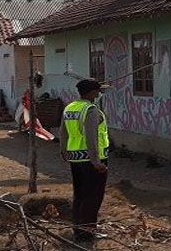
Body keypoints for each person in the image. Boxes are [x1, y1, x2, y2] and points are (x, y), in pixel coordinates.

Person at [58, 78, 110, 243]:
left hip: (75, 159)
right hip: (91, 160)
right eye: (98, 91)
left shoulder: (70, 108)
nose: (99, 93)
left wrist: (64, 151)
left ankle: (79, 229)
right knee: (93, 196)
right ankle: (86, 233)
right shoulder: (90, 110)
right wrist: (96, 161)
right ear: (92, 93)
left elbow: (63, 132)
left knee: (80, 195)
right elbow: (91, 137)